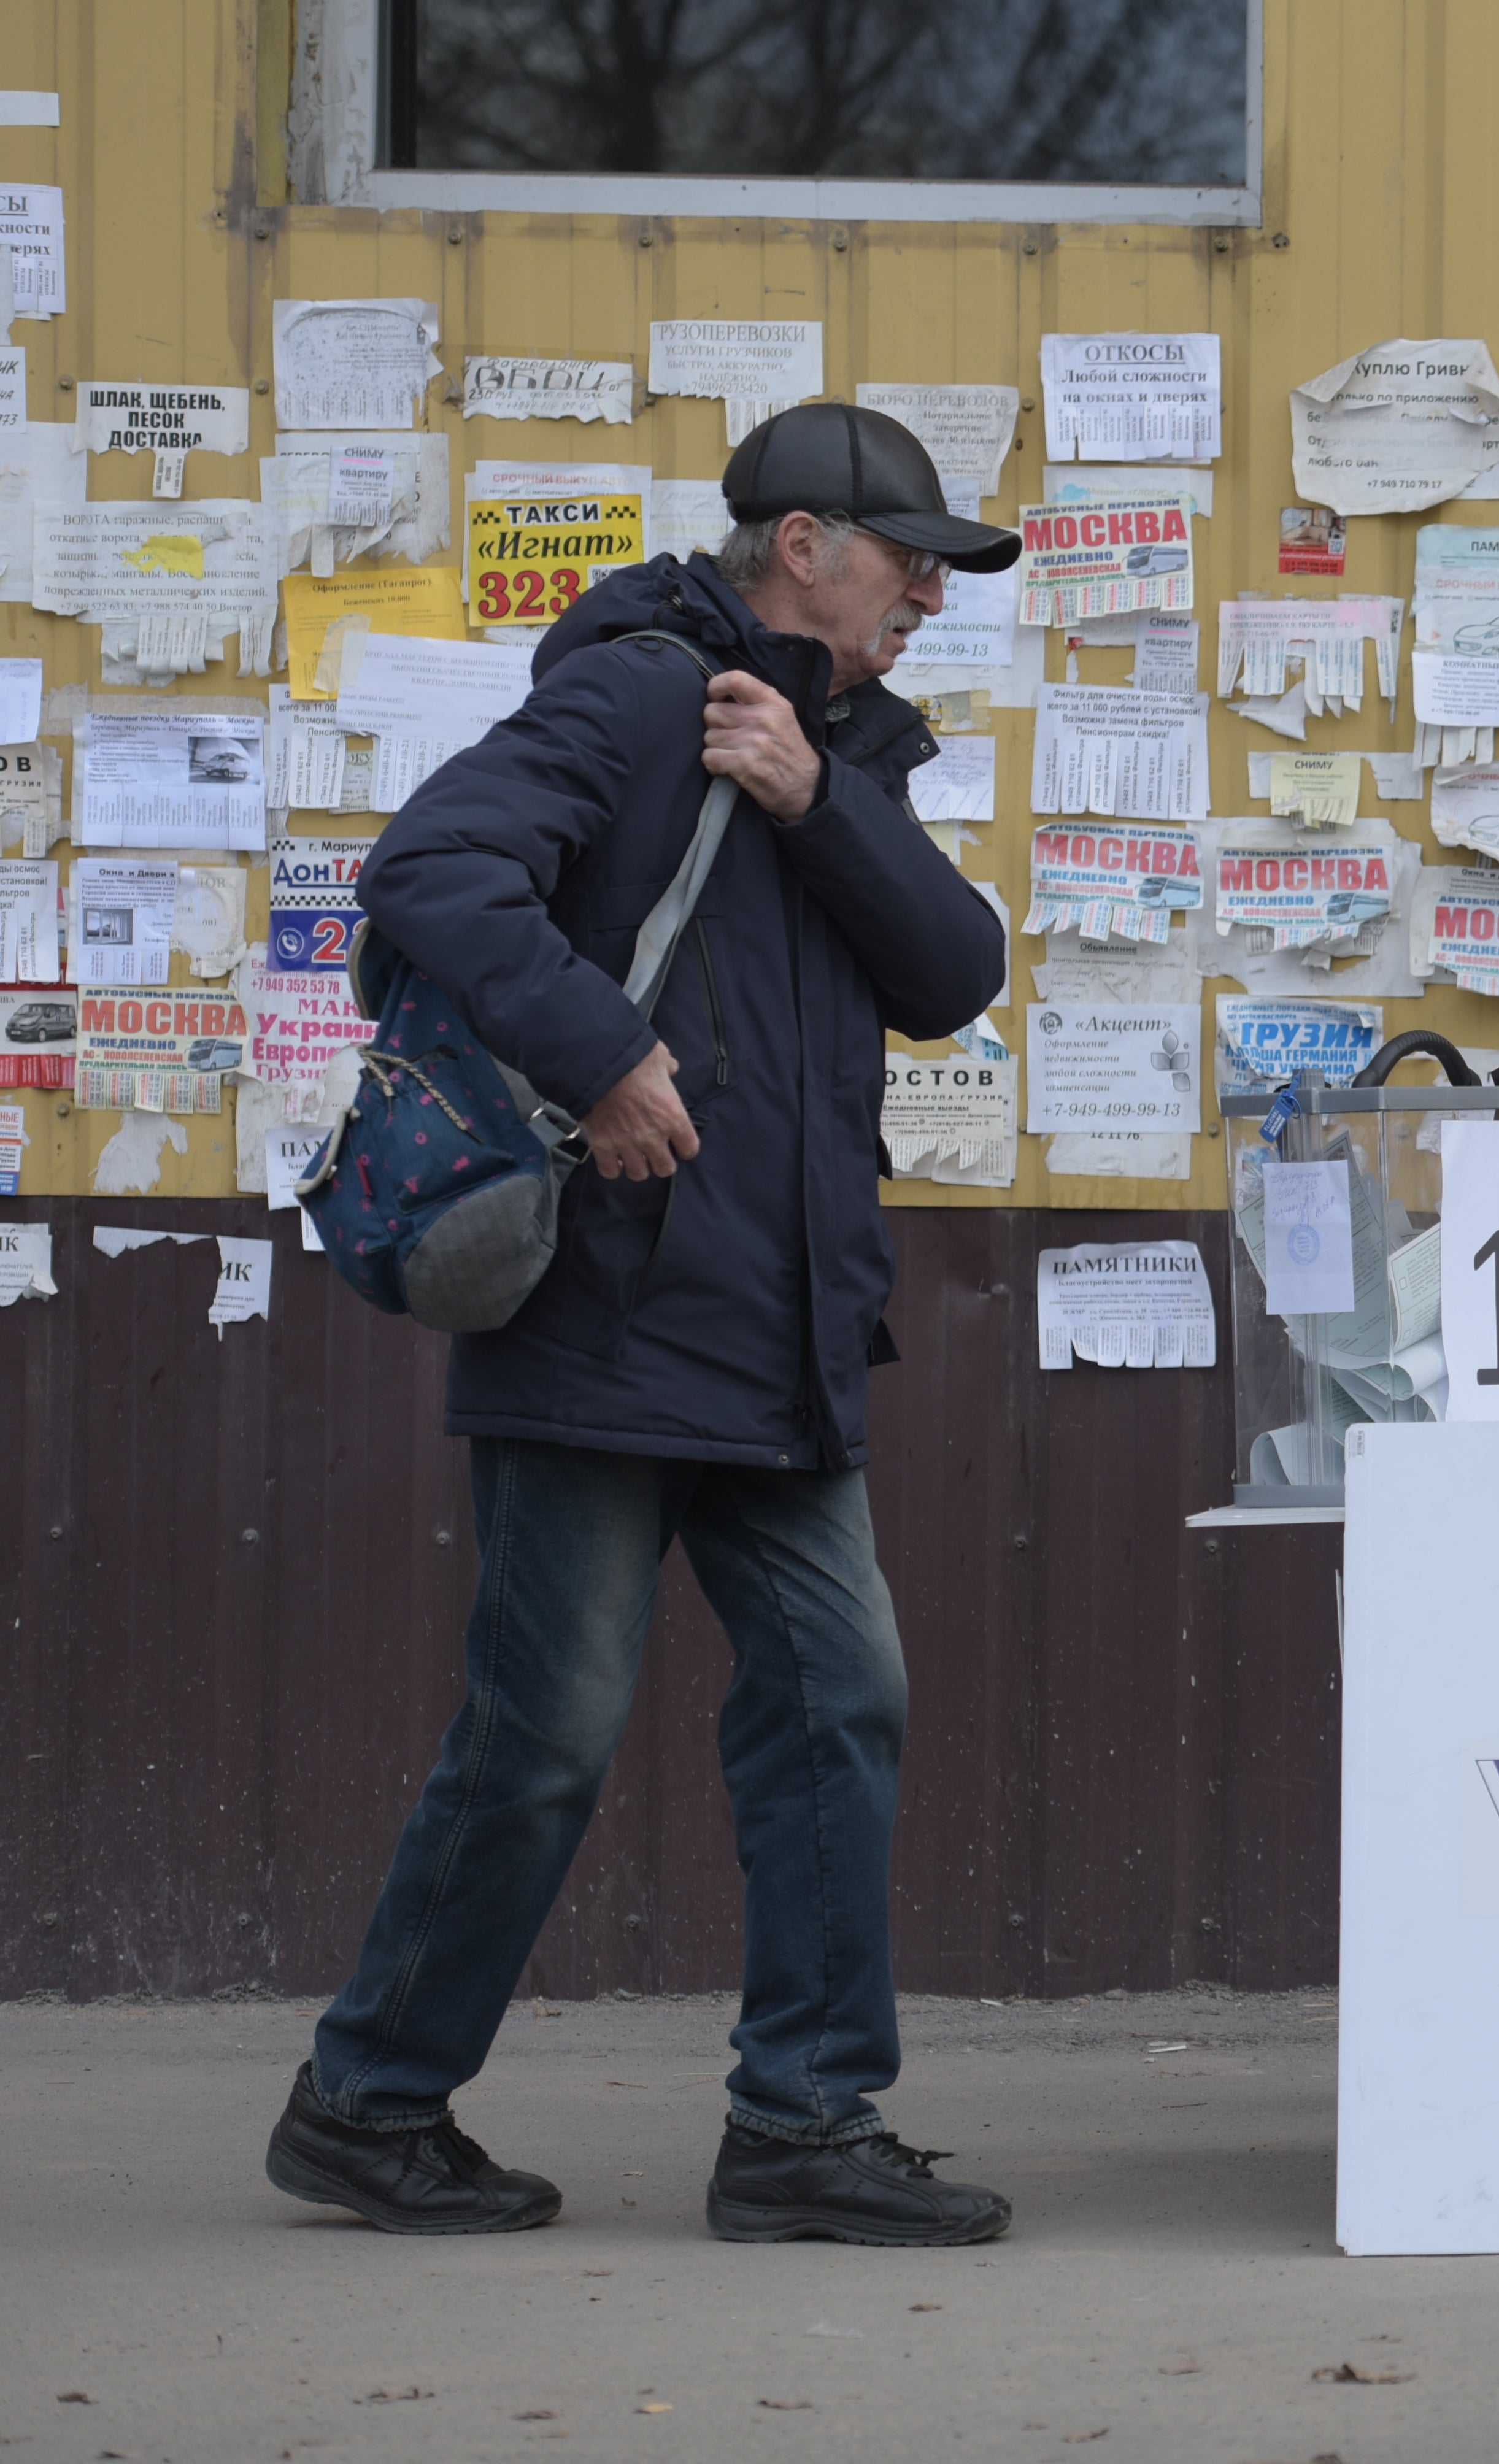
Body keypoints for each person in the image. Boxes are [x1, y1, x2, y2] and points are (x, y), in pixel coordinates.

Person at [264, 405, 1022, 2246]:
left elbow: (954, 972)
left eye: (941, 562)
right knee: (544, 1739)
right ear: (796, 545)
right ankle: (367, 2103)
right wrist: (599, 1060)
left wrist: (815, 800)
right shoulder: (632, 693)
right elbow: (428, 878)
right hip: (606, 1323)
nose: (931, 588)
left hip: (781, 1339)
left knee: (842, 1700)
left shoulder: (838, 746)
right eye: (903, 553)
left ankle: (805, 2126)